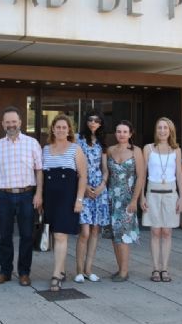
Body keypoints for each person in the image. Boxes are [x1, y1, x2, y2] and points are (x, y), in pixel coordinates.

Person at [0, 106, 43, 286]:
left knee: (27, 236)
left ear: (20, 123)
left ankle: (24, 273)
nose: (11, 125)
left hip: (27, 195)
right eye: (8, 122)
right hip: (4, 196)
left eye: (14, 122)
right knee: (5, 236)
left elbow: (39, 170)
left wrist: (39, 194)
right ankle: (5, 272)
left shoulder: (32, 143)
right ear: (3, 124)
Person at [43, 115, 87, 291]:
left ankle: (55, 275)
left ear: (69, 130)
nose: (61, 130)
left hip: (67, 198)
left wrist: (79, 200)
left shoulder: (75, 149)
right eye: (58, 127)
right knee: (55, 235)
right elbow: (40, 174)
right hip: (49, 198)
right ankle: (61, 271)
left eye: (64, 127)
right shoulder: (45, 149)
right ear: (52, 129)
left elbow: (83, 176)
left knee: (61, 235)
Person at [140, 117, 182, 283]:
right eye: (160, 128)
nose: (163, 131)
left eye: (165, 128)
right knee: (155, 231)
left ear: (170, 130)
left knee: (167, 231)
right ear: (156, 130)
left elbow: (179, 174)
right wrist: (142, 195)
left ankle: (165, 268)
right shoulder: (148, 148)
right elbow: (143, 174)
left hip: (171, 193)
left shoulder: (176, 150)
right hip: (153, 191)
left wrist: (181, 196)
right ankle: (155, 268)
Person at [106, 120, 145, 282]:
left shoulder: (136, 151)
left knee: (124, 235)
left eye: (124, 131)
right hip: (111, 198)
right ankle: (119, 268)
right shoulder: (110, 150)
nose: (121, 134)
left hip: (127, 198)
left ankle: (124, 271)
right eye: (118, 131)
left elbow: (141, 176)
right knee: (115, 235)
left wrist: (135, 200)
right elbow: (106, 174)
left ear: (130, 134)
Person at [74, 110, 109, 283]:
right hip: (83, 186)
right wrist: (85, 186)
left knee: (95, 230)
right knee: (85, 232)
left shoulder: (102, 142)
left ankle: (89, 269)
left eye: (97, 120)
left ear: (101, 123)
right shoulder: (78, 139)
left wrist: (103, 184)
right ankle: (79, 270)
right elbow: (75, 165)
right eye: (90, 120)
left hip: (99, 189)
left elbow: (105, 168)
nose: (93, 123)